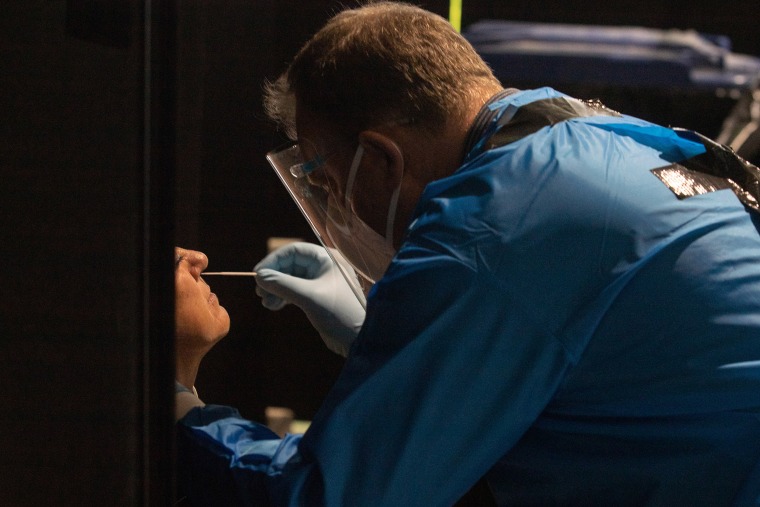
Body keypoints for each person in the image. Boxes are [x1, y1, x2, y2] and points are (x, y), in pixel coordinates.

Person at [178, 2, 760, 505]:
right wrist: (375, 333)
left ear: (380, 158)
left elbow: (330, 496)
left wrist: (176, 407)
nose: (333, 205)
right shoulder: (570, 128)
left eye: (326, 179)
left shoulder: (488, 227)